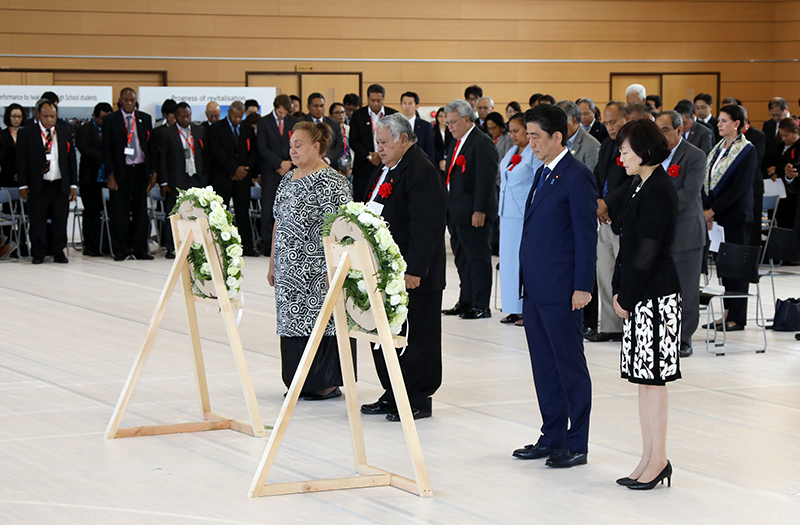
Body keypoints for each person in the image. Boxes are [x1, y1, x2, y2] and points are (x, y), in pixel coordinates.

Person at [512, 104, 596, 468]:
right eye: (528, 135)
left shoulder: (576, 176)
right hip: (536, 288)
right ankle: (552, 435)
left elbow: (585, 236)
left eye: (535, 136)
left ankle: (576, 441)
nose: (529, 142)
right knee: (544, 365)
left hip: (563, 289)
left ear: (557, 137)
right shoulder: (543, 172)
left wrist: (582, 285)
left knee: (569, 366)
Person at [359, 113, 447, 421]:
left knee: (417, 335)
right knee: (386, 332)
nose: (379, 148)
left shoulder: (421, 170)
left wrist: (415, 269)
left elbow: (428, 226)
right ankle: (392, 390)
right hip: (384, 270)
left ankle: (417, 397)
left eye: (384, 142)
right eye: (377, 142)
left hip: (413, 274)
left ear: (403, 139)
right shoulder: (386, 170)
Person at [612, 118, 681, 491]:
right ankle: (648, 455)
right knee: (643, 380)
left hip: (656, 294)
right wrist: (620, 287)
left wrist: (627, 295)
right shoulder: (642, 184)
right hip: (642, 294)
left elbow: (647, 252)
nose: (620, 157)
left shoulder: (658, 189)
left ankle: (659, 458)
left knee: (653, 380)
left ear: (644, 149)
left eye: (624, 150)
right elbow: (626, 242)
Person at [267, 121, 352, 400]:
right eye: (291, 145)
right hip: (288, 268)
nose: (292, 150)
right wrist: (272, 264)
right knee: (292, 323)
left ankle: (325, 382)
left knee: (322, 322)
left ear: (316, 147)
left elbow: (341, 227)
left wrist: (336, 267)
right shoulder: (286, 180)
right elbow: (278, 223)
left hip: (318, 269)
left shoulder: (332, 180)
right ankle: (298, 380)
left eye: (298, 145)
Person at [655, 111, 707, 358]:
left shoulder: (695, 155)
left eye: (665, 130)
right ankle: (664, 334)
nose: (661, 135)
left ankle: (684, 337)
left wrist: (658, 206)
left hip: (685, 232)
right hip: (659, 233)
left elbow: (690, 192)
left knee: (685, 288)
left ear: (679, 130)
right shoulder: (654, 155)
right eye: (658, 130)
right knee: (663, 288)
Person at [440, 99, 499, 320]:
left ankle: (481, 304)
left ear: (467, 119)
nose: (450, 127)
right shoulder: (457, 142)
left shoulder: (482, 143)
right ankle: (466, 300)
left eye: (453, 122)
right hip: (456, 211)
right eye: (448, 123)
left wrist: (480, 210)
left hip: (474, 213)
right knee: (462, 258)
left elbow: (486, 181)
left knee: (478, 259)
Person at [703, 104, 757, 331]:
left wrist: (712, 210)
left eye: (724, 120)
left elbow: (739, 188)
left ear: (737, 124)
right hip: (718, 216)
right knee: (724, 267)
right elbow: (708, 180)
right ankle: (725, 314)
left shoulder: (746, 150)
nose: (719, 124)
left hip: (735, 216)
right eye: (719, 120)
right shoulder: (718, 148)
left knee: (737, 268)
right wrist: (708, 208)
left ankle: (738, 316)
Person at [588, 101, 631, 343]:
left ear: (626, 118)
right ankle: (610, 326)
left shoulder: (634, 145)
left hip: (623, 217)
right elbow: (597, 176)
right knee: (605, 273)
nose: (609, 126)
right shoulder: (606, 145)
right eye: (606, 122)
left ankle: (628, 324)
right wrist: (597, 201)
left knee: (623, 276)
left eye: (613, 121)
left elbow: (631, 182)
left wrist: (607, 202)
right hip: (604, 219)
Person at [16, 98, 77, 264]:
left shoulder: (64, 132)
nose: (50, 120)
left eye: (53, 116)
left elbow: (71, 159)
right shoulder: (27, 133)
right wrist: (23, 184)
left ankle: (58, 251)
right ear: (37, 115)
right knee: (37, 220)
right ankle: (38, 252)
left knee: (60, 219)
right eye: (46, 116)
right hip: (38, 184)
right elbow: (21, 161)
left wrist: (72, 184)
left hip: (59, 183)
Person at [102, 87, 155, 261]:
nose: (130, 103)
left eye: (132, 100)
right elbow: (107, 150)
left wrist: (153, 172)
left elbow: (150, 147)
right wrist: (110, 174)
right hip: (120, 171)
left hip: (140, 170)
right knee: (120, 212)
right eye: (126, 100)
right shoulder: (111, 120)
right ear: (120, 101)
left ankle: (140, 249)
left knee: (141, 212)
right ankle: (121, 249)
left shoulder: (144, 119)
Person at [498, 112, 541, 326]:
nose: (513, 135)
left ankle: (526, 307)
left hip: (523, 214)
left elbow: (537, 183)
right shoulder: (512, 151)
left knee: (522, 261)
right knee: (508, 262)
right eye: (511, 131)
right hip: (507, 215)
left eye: (517, 131)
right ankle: (512, 307)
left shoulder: (534, 153)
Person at [157, 102, 209, 257]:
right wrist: (164, 182)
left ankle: (196, 247)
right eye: (182, 116)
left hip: (197, 178)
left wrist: (206, 177)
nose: (186, 119)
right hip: (177, 179)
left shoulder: (200, 131)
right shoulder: (167, 133)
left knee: (197, 213)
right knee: (174, 213)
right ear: (175, 116)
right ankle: (172, 247)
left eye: (189, 115)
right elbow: (162, 159)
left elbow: (206, 155)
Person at [209, 100, 258, 257]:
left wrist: (243, 170)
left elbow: (253, 152)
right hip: (223, 177)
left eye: (240, 116)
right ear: (228, 113)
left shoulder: (247, 129)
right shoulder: (217, 128)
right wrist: (233, 169)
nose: (237, 119)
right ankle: (220, 247)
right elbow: (217, 152)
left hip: (242, 178)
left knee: (243, 212)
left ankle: (247, 247)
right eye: (235, 116)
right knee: (221, 213)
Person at [257, 94, 297, 254]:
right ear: (276, 108)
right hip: (271, 171)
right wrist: (279, 164)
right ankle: (267, 245)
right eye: (280, 112)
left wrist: (288, 163)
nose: (282, 116)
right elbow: (262, 147)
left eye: (285, 113)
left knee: (288, 208)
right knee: (268, 209)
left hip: (290, 170)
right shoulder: (264, 122)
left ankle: (287, 244)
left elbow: (296, 143)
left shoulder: (292, 122)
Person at [75, 102, 113, 257]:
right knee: (91, 213)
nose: (105, 122)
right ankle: (90, 246)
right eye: (103, 119)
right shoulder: (83, 130)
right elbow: (85, 150)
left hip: (108, 179)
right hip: (90, 179)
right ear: (95, 116)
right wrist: (107, 157)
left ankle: (105, 245)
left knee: (109, 212)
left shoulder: (112, 129)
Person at [349, 84, 398, 200]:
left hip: (388, 163)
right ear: (367, 99)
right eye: (372, 100)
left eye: (379, 100)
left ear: (383, 99)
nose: (375, 103)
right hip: (364, 166)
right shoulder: (358, 115)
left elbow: (396, 139)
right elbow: (353, 141)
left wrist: (382, 155)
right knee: (362, 199)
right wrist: (369, 155)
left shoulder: (393, 115)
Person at [303, 93, 345, 171]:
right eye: (316, 106)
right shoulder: (301, 122)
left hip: (329, 166)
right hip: (307, 167)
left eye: (322, 106)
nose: (319, 109)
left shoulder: (334, 123)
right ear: (308, 107)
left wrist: (327, 159)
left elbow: (339, 146)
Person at [556, 100, 601, 172]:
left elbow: (590, 178)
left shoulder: (591, 146)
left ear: (574, 121)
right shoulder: (556, 141)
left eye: (560, 123)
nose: (556, 128)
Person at [774, 118, 800, 229]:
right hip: (780, 192)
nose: (784, 138)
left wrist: (778, 170)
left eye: (786, 135)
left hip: (793, 197)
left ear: (795, 132)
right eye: (782, 136)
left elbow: (795, 167)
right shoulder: (779, 146)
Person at [399, 91, 435, 160]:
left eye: (410, 103)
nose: (407, 106)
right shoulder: (395, 124)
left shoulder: (426, 126)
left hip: (419, 162)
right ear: (401, 105)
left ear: (417, 106)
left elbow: (430, 149)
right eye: (404, 103)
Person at [0, 103, 26, 187]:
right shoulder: (2, 135)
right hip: (7, 178)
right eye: (14, 116)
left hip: (25, 178)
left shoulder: (27, 134)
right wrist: (13, 174)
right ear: (8, 116)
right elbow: (2, 158)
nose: (17, 119)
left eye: (19, 116)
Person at [432, 107, 453, 175]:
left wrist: (447, 160)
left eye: (445, 116)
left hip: (450, 160)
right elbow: (432, 147)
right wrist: (440, 160)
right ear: (437, 117)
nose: (443, 118)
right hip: (436, 161)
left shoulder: (452, 131)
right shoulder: (432, 131)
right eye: (440, 116)